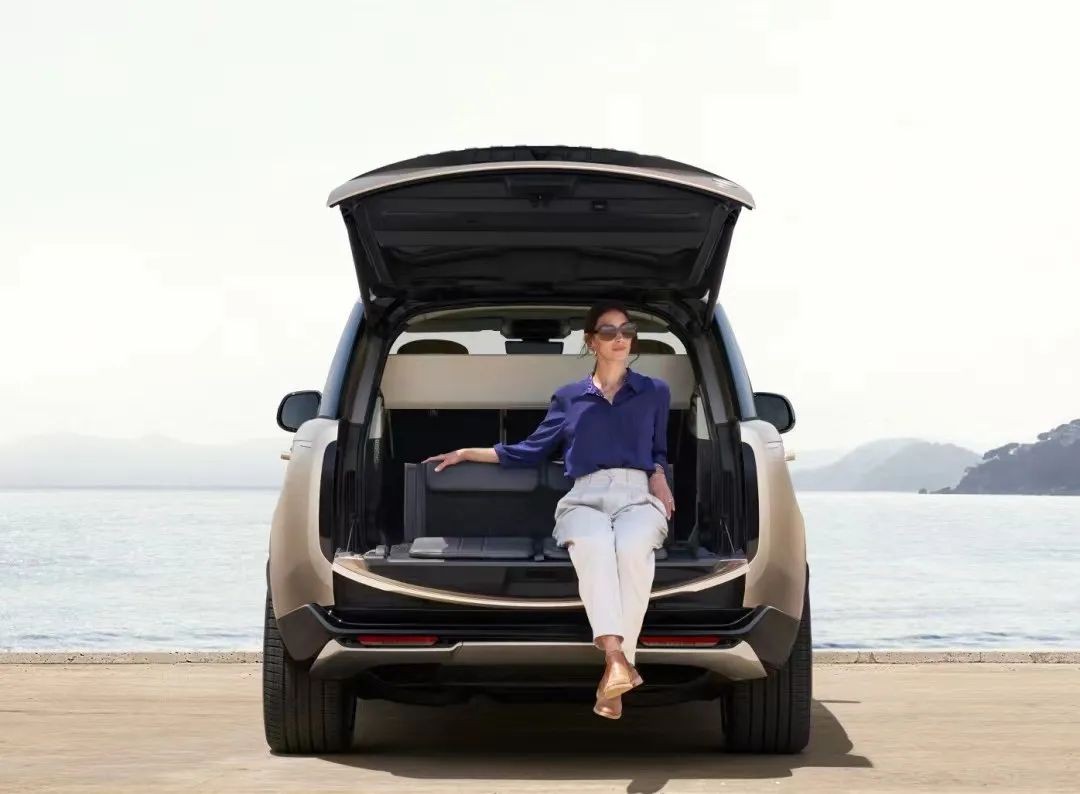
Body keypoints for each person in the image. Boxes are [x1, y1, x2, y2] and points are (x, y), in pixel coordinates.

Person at [423, 301, 674, 720]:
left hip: (637, 495)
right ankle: (616, 663)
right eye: (609, 331)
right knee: (594, 546)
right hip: (585, 496)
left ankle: (616, 667)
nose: (620, 338)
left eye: (627, 330)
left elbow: (659, 449)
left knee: (633, 551)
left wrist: (660, 475)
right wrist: (467, 452)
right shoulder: (569, 397)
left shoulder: (655, 391)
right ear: (591, 341)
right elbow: (530, 450)